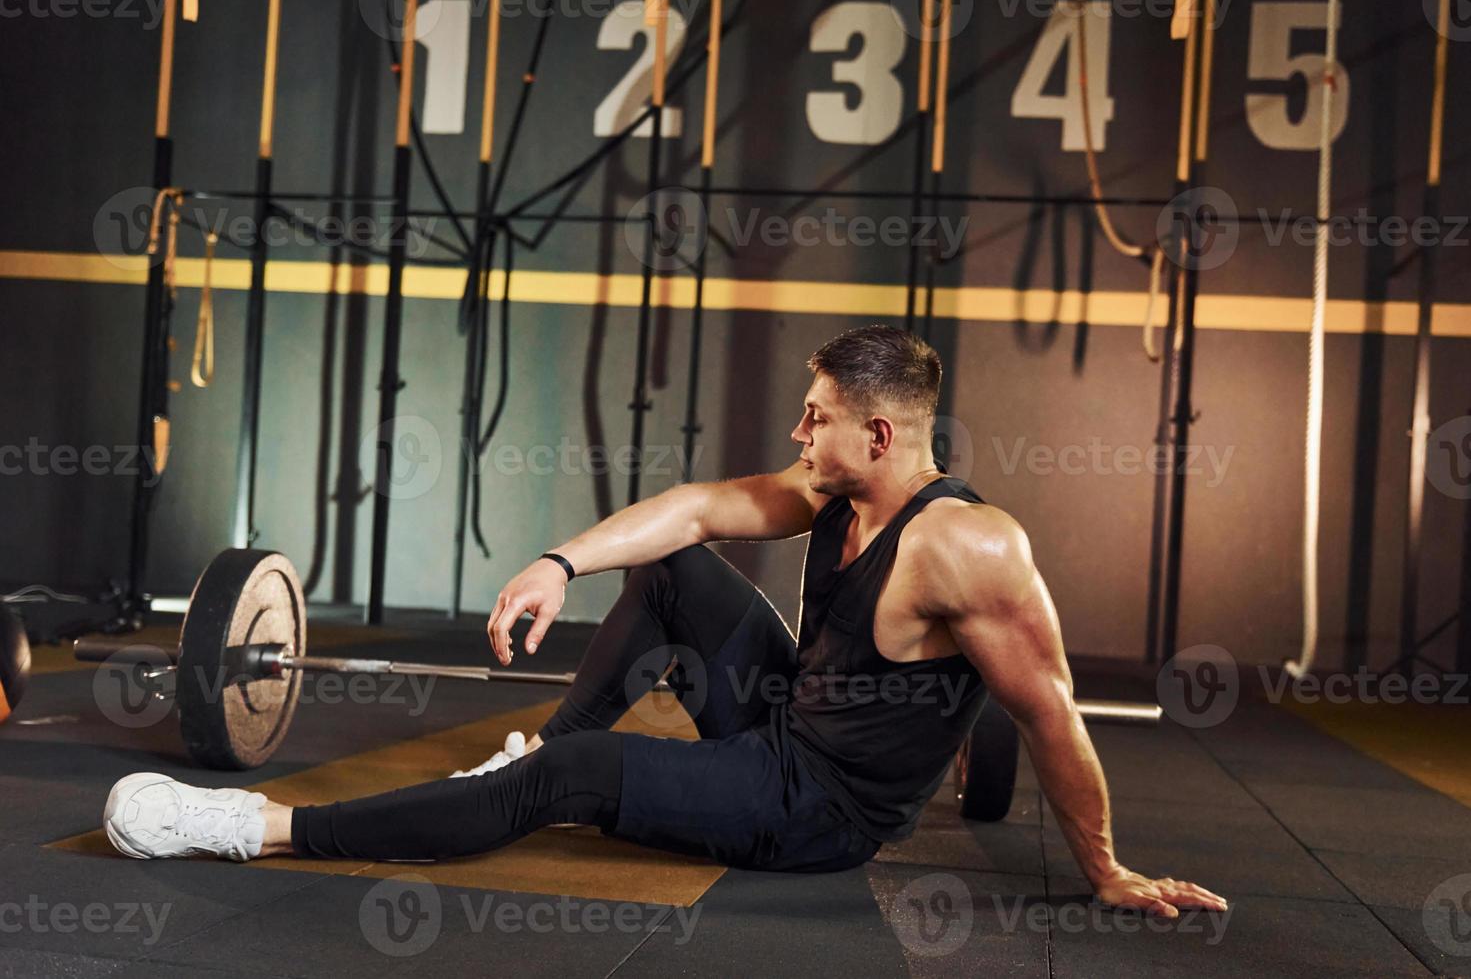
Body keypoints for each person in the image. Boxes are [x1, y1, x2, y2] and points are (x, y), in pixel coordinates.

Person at [104, 325, 1225, 917]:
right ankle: (534, 749)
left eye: (818, 416)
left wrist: (1108, 868)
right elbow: (693, 509)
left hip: (822, 808)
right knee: (677, 570)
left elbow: (1053, 714)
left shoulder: (972, 549)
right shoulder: (831, 488)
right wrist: (556, 560)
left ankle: (257, 826)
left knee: (583, 776)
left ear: (881, 436)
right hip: (790, 722)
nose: (798, 429)